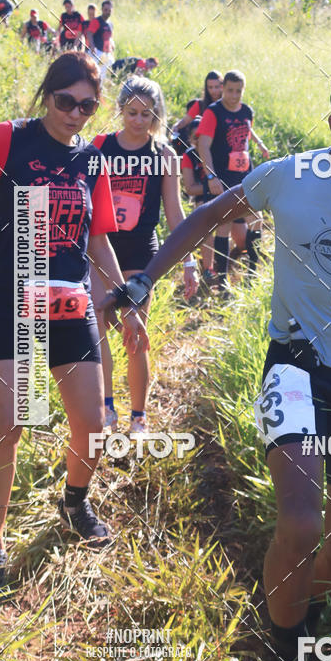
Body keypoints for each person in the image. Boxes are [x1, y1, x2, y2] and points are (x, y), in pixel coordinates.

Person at [99, 58, 331, 661]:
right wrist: (143, 282)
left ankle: (293, 617)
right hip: (294, 365)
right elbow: (203, 217)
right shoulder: (289, 177)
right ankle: (284, 657)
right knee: (301, 522)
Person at [0, 52, 146, 594]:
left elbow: (98, 238)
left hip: (69, 305)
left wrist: (123, 302)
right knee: (10, 422)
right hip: (11, 301)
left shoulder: (91, 161)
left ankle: (73, 503)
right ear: (47, 95)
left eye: (87, 105)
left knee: (93, 428)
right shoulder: (10, 139)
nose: (75, 114)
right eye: (65, 102)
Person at [90, 76, 198, 436]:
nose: (139, 120)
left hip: (140, 255)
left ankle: (138, 416)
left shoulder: (164, 155)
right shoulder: (99, 147)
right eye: (132, 112)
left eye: (147, 114)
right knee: (98, 328)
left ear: (156, 115)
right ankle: (106, 409)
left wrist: (188, 261)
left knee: (134, 331)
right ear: (120, 110)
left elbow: (174, 212)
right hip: (101, 250)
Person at [196, 69, 269, 289]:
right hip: (221, 177)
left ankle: (252, 273)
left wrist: (260, 146)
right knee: (224, 227)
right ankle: (222, 279)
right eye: (230, 90)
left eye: (238, 91)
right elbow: (203, 146)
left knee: (256, 220)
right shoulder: (213, 112)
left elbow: (246, 136)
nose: (234, 95)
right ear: (223, 89)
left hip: (245, 176)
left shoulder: (247, 111)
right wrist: (211, 176)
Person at [180, 116, 217, 286]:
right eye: (196, 138)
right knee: (206, 226)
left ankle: (234, 256)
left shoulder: (216, 150)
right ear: (190, 139)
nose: (199, 141)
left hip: (222, 194)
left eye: (202, 136)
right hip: (204, 198)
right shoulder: (189, 156)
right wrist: (212, 186)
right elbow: (190, 188)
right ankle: (208, 268)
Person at [171, 70, 223, 154]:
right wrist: (176, 126)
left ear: (222, 87)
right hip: (202, 145)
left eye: (216, 87)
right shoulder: (200, 104)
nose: (213, 91)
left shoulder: (227, 105)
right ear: (206, 88)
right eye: (210, 87)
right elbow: (184, 121)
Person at [85, 0, 114, 81]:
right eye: (105, 10)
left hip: (106, 53)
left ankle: (99, 91)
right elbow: (89, 33)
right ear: (102, 9)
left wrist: (111, 47)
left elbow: (109, 38)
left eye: (109, 10)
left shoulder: (110, 24)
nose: (107, 12)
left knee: (102, 75)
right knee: (91, 73)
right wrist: (92, 46)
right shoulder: (96, 21)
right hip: (96, 51)